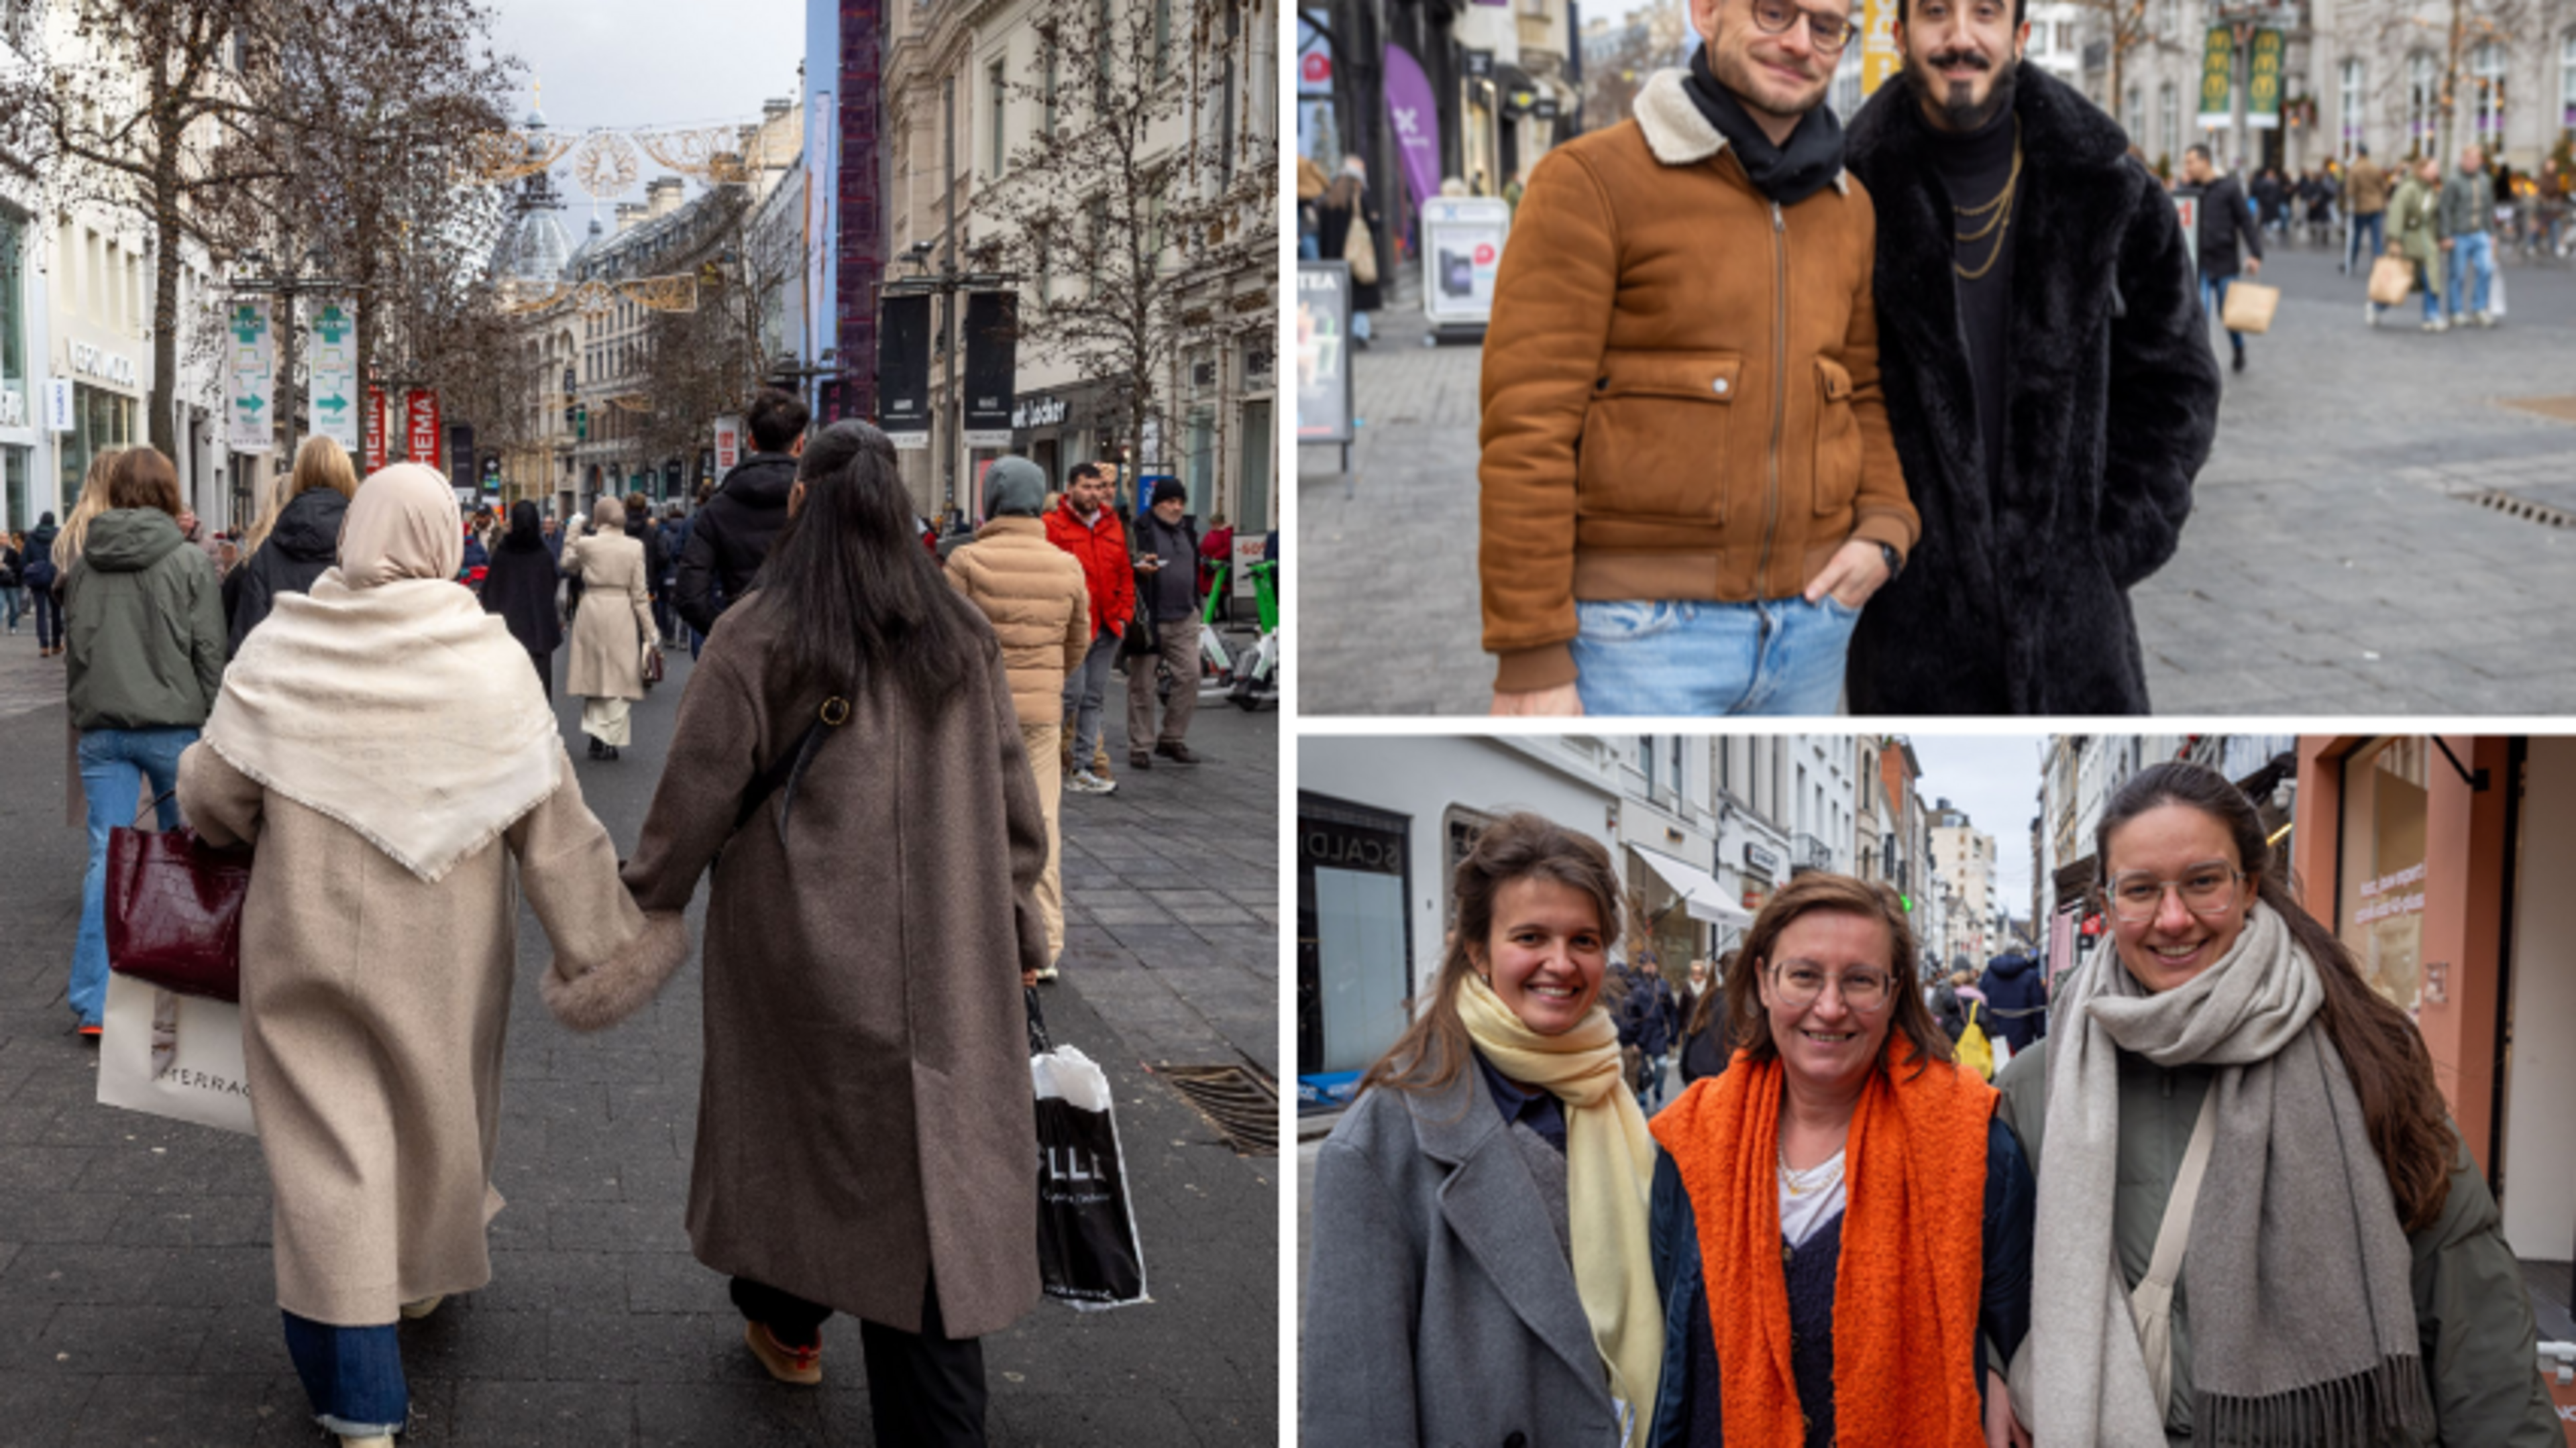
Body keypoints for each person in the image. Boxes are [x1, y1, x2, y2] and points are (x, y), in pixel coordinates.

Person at [541, 421, 1046, 1445]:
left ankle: (790, 1311)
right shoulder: (959, 632)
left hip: (800, 947)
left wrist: (639, 906)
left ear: (803, 504)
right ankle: (854, 1354)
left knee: (801, 1138)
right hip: (949, 956)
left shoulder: (760, 631)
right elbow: (1015, 810)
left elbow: (692, 800)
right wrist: (1017, 916)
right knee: (927, 1166)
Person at [176, 462, 651, 1448]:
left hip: (302, 935)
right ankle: (417, 1286)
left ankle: (357, 1399)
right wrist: (601, 947)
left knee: (328, 1151)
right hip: (449, 949)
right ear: (443, 539)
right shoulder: (490, 660)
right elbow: (555, 826)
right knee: (436, 1118)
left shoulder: (286, 641)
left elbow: (213, 798)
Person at [2000, 761, 2560, 1447]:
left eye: (2203, 881)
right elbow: (1986, 1278)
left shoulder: (2363, 1052)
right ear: (2108, 906)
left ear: (2249, 886)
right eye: (2141, 890)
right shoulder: (2039, 1083)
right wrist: (1989, 1368)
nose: (2173, 918)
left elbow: (2470, 1304)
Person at [1479, 0, 1915, 718]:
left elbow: (1862, 390)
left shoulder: (1849, 208)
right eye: (1775, 12)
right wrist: (1530, 656)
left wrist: (1887, 531)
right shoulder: (1589, 181)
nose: (1800, 42)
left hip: (1812, 629)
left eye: (1827, 25)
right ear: (1707, 11)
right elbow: (1527, 428)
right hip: (1637, 636)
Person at [1842, 5, 2218, 714]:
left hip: (2078, 641)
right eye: (1935, 14)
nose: (1960, 37)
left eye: (1985, 12)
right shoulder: (1845, 193)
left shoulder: (2115, 195)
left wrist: (2108, 549)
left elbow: (2179, 386)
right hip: (1912, 636)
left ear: (2019, 34)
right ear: (1899, 36)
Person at [1303, 813, 1664, 1444]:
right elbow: (1355, 1411)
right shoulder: (1381, 1140)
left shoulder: (1606, 1091)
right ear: (1476, 949)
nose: (1562, 962)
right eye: (1530, 936)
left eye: (1584, 940)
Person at [1646, 873, 2033, 1448]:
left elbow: (2012, 1328)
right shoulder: (1694, 1142)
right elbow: (1677, 1336)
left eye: (1859, 980)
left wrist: (1993, 1371)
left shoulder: (1975, 1147)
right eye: (1803, 975)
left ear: (1895, 990)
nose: (1830, 1007)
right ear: (1764, 981)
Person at [62, 447, 228, 1039]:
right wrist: (215, 720)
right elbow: (209, 647)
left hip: (104, 728)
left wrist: (86, 707)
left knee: (107, 857)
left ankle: (93, 1002)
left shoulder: (85, 563)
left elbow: (77, 648)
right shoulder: (187, 563)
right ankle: (191, 991)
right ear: (168, 493)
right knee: (191, 855)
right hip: (175, 725)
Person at [945, 455, 1088, 981]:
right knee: (1042, 819)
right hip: (1040, 714)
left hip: (976, 710)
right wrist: (1049, 677)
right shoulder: (1066, 564)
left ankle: (977, 936)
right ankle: (1043, 943)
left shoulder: (965, 562)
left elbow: (947, 643)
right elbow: (1079, 641)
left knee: (974, 818)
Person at [676, 389, 808, 638]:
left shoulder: (718, 508)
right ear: (800, 443)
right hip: (811, 647)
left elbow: (690, 596)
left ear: (752, 442)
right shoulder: (821, 501)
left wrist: (731, 634)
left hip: (744, 646)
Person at [1045, 461, 1133, 796]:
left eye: (1098, 488)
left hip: (1108, 624)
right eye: (1087, 487)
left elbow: (1124, 570)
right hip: (1072, 627)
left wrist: (1123, 615)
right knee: (1070, 695)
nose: (1094, 494)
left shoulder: (1111, 523)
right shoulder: (1052, 525)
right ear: (1070, 488)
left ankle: (1083, 767)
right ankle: (1046, 761)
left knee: (1094, 698)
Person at [228, 437, 358, 653]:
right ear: (348, 478)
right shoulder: (366, 546)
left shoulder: (268, 553)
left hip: (281, 681)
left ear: (299, 478)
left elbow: (246, 644)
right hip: (353, 681)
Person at [558, 494, 655, 761]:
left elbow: (567, 562)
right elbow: (639, 592)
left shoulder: (588, 544)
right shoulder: (634, 547)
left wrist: (574, 527)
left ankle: (595, 738)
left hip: (592, 607)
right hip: (621, 608)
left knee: (594, 674)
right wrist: (650, 631)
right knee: (619, 675)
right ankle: (612, 739)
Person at [1124, 478, 1203, 771]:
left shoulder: (1189, 531)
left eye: (1180, 502)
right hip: (1149, 619)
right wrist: (1138, 571)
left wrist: (1197, 606)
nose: (1176, 507)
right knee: (1142, 685)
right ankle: (1141, 745)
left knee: (1191, 676)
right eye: (1170, 502)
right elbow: (1126, 565)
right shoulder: (1140, 530)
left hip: (1184, 617)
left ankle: (1171, 738)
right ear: (1157, 504)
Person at [2181, 144, 2263, 376]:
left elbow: (2246, 222)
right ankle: (2203, 362)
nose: (2187, 167)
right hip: (2201, 264)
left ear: (2204, 161)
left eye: (2190, 162)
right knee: (2201, 313)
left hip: (2225, 262)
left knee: (2229, 316)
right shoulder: (2189, 190)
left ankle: (2238, 347)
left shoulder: (2229, 188)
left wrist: (2256, 254)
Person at [482, 500, 567, 702]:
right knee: (539, 693)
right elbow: (552, 590)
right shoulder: (543, 555)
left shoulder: (502, 555)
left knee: (509, 694)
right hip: (538, 632)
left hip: (507, 634)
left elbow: (490, 593)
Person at [1313, 156, 1381, 346]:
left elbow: (1323, 233)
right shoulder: (1358, 199)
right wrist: (1376, 221)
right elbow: (1373, 225)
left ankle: (1335, 334)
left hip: (1335, 258)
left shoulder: (1330, 199)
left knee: (1337, 298)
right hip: (1357, 257)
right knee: (1360, 298)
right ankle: (1360, 333)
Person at [2440, 143, 2499, 329]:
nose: (2473, 163)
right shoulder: (2454, 181)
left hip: (2480, 232)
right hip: (2460, 233)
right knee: (2457, 274)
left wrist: (2492, 232)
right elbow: (2445, 209)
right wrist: (2446, 234)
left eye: (2476, 159)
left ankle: (2479, 308)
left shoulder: (2484, 180)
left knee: (2486, 269)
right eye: (2470, 159)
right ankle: (2455, 311)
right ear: (2463, 159)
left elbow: (2489, 208)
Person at [2392, 154, 2450, 331]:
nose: (2437, 172)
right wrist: (2394, 240)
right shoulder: (2409, 189)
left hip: (2426, 241)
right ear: (2422, 170)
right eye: (2434, 168)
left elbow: (2435, 218)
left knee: (2430, 277)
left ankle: (2431, 315)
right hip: (2411, 240)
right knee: (2402, 280)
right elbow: (2397, 213)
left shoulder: (2431, 190)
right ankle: (2378, 304)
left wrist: (2441, 236)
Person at [1676, 951, 1736, 1084]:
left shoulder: (1707, 997)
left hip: (1698, 1072)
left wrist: (1685, 1069)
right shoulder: (1743, 1004)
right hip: (1720, 1079)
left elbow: (1691, 1033)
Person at [1977, 944, 2045, 1054]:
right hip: (2023, 1037)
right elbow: (2038, 1009)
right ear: (2021, 955)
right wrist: (2041, 1035)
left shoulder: (1988, 975)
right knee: (2020, 1069)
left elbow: (1980, 1006)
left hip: (1993, 1036)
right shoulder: (2031, 976)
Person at [2344, 144, 2390, 274]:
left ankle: (2351, 262)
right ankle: (2378, 265)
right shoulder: (2375, 168)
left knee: (2357, 236)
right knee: (2376, 239)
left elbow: (2350, 191)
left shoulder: (2355, 169)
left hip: (2361, 207)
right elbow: (2384, 187)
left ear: (2358, 154)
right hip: (2376, 206)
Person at [23, 510, 60, 654]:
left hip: (38, 576)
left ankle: (43, 645)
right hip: (54, 575)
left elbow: (24, 560)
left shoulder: (31, 537)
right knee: (56, 611)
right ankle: (56, 643)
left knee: (41, 612)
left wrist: (30, 569)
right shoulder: (59, 535)